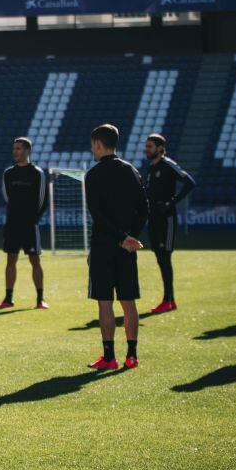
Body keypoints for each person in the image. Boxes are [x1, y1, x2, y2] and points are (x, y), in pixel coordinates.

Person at [84, 124, 148, 371]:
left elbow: (97, 215)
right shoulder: (131, 171)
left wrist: (121, 237)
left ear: (99, 144)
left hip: (103, 245)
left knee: (104, 302)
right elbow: (144, 210)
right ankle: (132, 356)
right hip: (126, 248)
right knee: (128, 301)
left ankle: (109, 357)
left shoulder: (94, 174)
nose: (92, 149)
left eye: (93, 145)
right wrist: (130, 237)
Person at [143, 134, 196, 314]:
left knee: (165, 258)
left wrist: (172, 201)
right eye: (146, 146)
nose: (147, 149)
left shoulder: (168, 165)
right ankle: (169, 300)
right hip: (154, 219)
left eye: (150, 146)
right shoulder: (150, 168)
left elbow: (189, 182)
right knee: (160, 258)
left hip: (167, 219)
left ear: (159, 148)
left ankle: (168, 299)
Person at [0, 138, 50, 309]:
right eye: (14, 148)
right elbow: (7, 198)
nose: (15, 151)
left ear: (27, 151)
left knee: (35, 261)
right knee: (10, 260)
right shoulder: (8, 173)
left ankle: (40, 299)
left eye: (18, 148)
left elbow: (43, 200)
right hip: (12, 225)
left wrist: (33, 220)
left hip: (30, 226)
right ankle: (8, 298)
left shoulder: (37, 173)